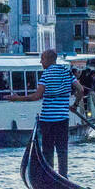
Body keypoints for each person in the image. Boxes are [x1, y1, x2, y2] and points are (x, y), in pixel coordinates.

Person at [10, 48, 85, 177]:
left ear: (49, 60)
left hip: (48, 120)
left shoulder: (46, 74)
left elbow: (36, 96)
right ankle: (63, 176)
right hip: (63, 118)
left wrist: (17, 98)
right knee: (62, 150)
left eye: (43, 59)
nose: (41, 61)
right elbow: (81, 90)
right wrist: (75, 105)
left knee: (48, 150)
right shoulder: (67, 72)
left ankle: (50, 175)